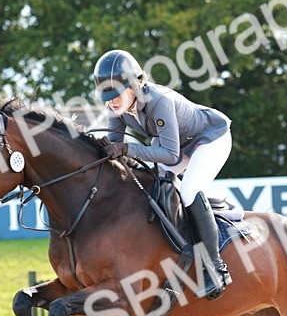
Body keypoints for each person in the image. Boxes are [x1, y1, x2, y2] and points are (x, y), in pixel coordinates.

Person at [94, 49, 233, 301]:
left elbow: (170, 155)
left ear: (134, 85)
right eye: (107, 96)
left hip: (208, 139)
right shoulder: (117, 108)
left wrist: (126, 149)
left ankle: (216, 269)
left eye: (115, 95)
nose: (111, 102)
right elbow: (114, 146)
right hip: (177, 145)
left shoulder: (159, 101)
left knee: (189, 191)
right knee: (153, 185)